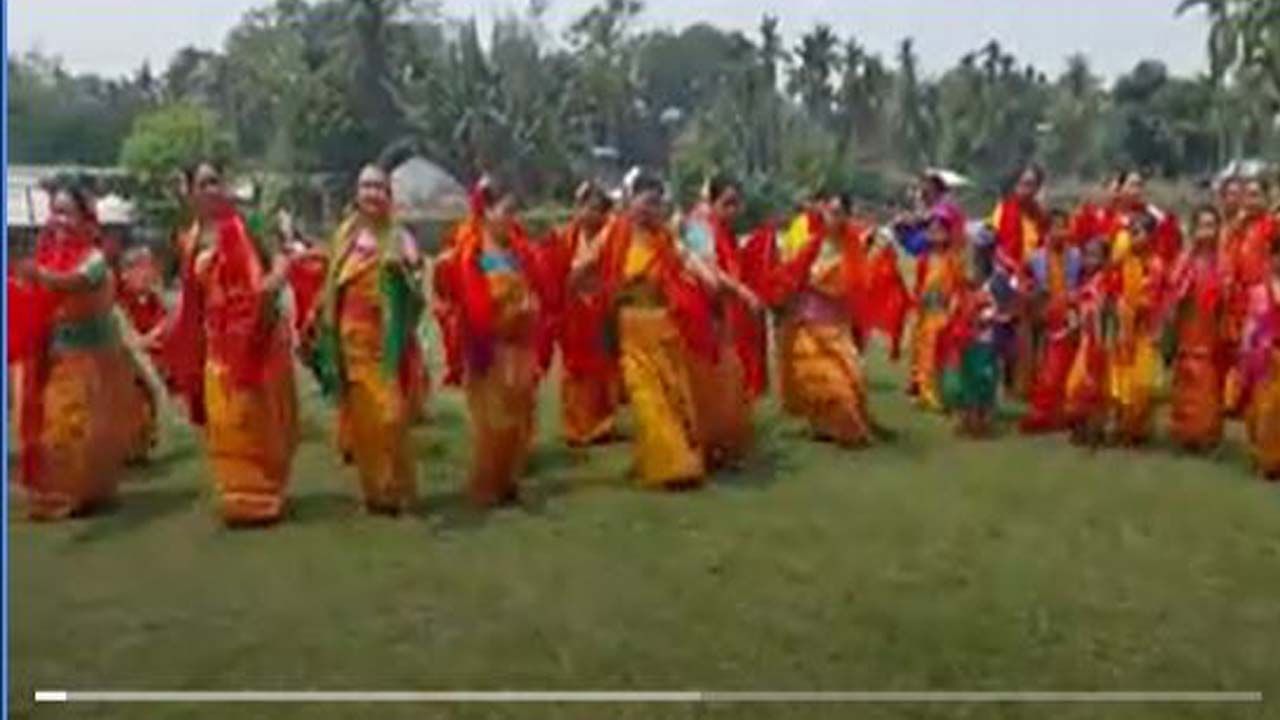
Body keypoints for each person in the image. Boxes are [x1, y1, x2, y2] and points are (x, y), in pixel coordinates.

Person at [164, 161, 299, 526]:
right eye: (202, 183)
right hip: (217, 344)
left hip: (257, 338)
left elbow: (282, 260)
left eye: (215, 182)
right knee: (226, 420)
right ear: (190, 192)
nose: (210, 189)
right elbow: (192, 297)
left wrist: (269, 286)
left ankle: (265, 496)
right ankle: (238, 498)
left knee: (257, 417)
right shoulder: (189, 239)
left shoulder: (248, 226)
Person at [572, 172, 715, 489]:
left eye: (656, 203)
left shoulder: (664, 238)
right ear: (631, 201)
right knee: (647, 399)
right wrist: (593, 294)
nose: (651, 210)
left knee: (672, 397)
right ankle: (672, 468)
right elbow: (581, 269)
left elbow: (689, 260)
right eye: (646, 202)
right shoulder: (614, 235)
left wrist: (710, 280)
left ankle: (673, 459)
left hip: (664, 327)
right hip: (630, 329)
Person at [10, 184, 142, 520]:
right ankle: (62, 491)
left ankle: (83, 492)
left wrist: (41, 276)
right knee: (59, 424)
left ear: (87, 220)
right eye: (55, 211)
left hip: (95, 360)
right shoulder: (48, 255)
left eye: (67, 212)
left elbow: (74, 282)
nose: (59, 220)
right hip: (59, 357)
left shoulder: (94, 259)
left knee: (87, 431)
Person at [309, 165, 424, 515]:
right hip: (350, 340)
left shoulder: (400, 237)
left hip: (387, 344)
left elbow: (417, 288)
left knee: (391, 415)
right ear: (357, 194)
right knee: (364, 421)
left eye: (379, 187)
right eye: (366, 186)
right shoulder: (345, 236)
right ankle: (376, 493)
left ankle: (397, 488)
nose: (372, 193)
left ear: (388, 194)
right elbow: (331, 286)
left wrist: (403, 270)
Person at [435, 176, 547, 506]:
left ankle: (508, 480)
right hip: (489, 348)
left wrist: (528, 307)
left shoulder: (517, 250)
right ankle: (487, 485)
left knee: (517, 419)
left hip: (520, 348)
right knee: (492, 422)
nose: (512, 218)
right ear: (487, 212)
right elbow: (467, 302)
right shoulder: (473, 252)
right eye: (506, 211)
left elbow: (533, 284)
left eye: (515, 211)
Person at [770, 191, 886, 446]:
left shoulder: (852, 248)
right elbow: (791, 277)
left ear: (847, 215)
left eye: (839, 213)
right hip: (809, 326)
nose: (833, 218)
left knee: (852, 382)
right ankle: (826, 426)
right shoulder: (812, 244)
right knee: (818, 379)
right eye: (830, 212)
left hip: (837, 328)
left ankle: (839, 426)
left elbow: (857, 287)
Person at [680, 175, 764, 469]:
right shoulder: (699, 227)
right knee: (710, 379)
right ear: (711, 201)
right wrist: (743, 293)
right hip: (702, 313)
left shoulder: (720, 229)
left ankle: (721, 445)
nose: (734, 210)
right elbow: (711, 273)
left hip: (719, 314)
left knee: (727, 378)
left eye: (737, 204)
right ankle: (708, 445)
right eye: (727, 203)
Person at [552, 181, 622, 448]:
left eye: (596, 209)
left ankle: (602, 423)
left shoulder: (612, 237)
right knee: (574, 369)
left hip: (601, 308)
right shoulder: (566, 237)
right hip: (573, 310)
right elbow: (561, 276)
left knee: (602, 369)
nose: (589, 214)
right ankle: (576, 425)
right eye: (584, 207)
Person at [1166, 206, 1227, 452]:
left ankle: (1205, 433)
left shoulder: (1222, 262)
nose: (1207, 232)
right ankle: (1185, 432)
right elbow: (1173, 292)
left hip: (1212, 330)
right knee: (1187, 379)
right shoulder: (1185, 260)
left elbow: (1227, 294)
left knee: (1208, 382)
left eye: (1211, 226)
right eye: (1202, 226)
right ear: (1193, 229)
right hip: (1188, 328)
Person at [1020, 210, 1084, 433]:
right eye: (1054, 227)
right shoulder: (1035, 258)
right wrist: (1034, 298)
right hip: (1043, 317)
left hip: (1070, 317)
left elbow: (1081, 286)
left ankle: (1063, 411)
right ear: (1045, 231)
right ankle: (1043, 411)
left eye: (1064, 227)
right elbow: (1025, 285)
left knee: (1066, 365)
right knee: (1044, 365)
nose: (1060, 233)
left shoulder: (1076, 256)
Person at [1107, 212, 1166, 446]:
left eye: (1139, 232)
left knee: (1141, 382)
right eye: (1131, 232)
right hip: (1123, 330)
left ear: (1151, 236)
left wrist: (1129, 308)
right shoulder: (1124, 261)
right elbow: (1112, 287)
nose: (1133, 237)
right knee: (1120, 379)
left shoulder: (1155, 265)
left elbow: (1149, 300)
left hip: (1143, 330)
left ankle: (1137, 429)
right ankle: (1121, 427)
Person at [990, 164, 1048, 398]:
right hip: (1006, 277)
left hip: (1034, 280)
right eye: (1024, 183)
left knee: (1031, 334)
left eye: (1033, 184)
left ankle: (1025, 383)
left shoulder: (1040, 215)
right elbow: (995, 246)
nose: (1028, 189)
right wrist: (1013, 269)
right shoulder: (1004, 209)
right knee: (1005, 332)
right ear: (1015, 185)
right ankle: (1005, 382)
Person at [1222, 178, 1277, 416]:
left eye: (1256, 195)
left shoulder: (1272, 226)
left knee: (1261, 354)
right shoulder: (1238, 228)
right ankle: (1240, 404)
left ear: (1267, 198)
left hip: (1265, 300)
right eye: (1248, 195)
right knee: (1241, 353)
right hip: (1239, 299)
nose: (1250, 200)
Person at [906, 212, 965, 412]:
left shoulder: (953, 260)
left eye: (940, 230)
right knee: (923, 352)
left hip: (944, 313)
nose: (935, 234)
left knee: (942, 355)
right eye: (932, 230)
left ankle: (939, 392)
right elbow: (919, 286)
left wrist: (953, 309)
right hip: (926, 313)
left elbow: (959, 287)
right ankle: (924, 390)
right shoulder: (924, 259)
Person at [116, 245, 169, 463]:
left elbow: (166, 326)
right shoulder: (119, 301)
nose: (149, 274)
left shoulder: (154, 300)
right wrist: (151, 338)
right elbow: (128, 338)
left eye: (150, 268)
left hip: (152, 360)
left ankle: (141, 445)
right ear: (126, 273)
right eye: (142, 269)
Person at [1063, 239, 1111, 447]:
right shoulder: (1085, 281)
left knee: (1089, 384)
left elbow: (1098, 309)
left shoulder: (1103, 282)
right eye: (1087, 255)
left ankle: (1093, 431)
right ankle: (1085, 428)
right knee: (1078, 385)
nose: (1090, 260)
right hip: (1084, 338)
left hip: (1096, 339)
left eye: (1095, 255)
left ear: (1104, 259)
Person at [939, 281, 1001, 438]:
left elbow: (987, 320)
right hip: (970, 347)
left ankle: (977, 422)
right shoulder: (961, 299)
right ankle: (972, 421)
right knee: (973, 384)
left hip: (979, 347)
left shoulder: (984, 299)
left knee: (980, 384)